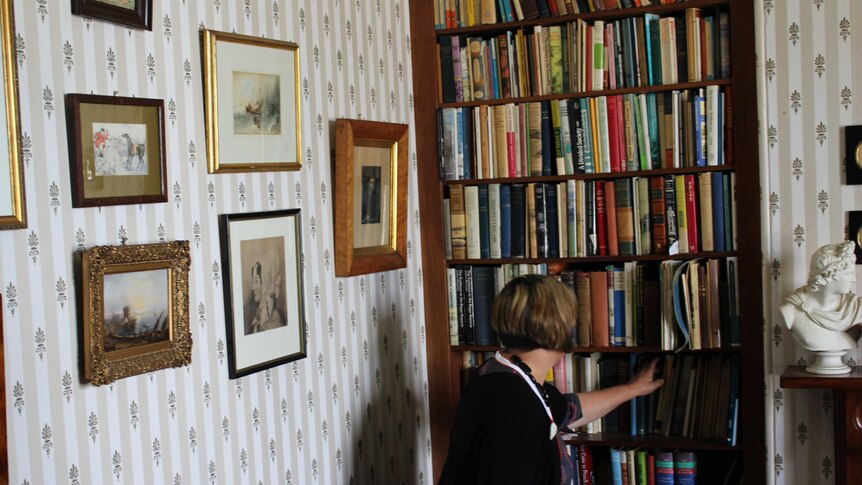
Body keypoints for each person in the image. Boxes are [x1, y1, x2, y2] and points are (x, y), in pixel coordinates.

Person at [438, 274, 663, 484]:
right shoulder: (511, 406)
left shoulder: (510, 374)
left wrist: (634, 389)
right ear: (554, 327)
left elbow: (568, 409)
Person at [780, 241, 862, 352]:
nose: (853, 280)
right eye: (848, 274)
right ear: (828, 274)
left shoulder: (856, 307)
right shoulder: (791, 310)